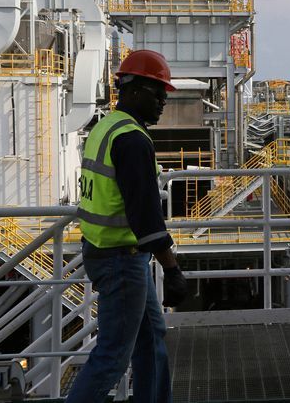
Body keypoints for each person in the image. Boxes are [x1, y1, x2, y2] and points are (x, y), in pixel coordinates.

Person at [66, 50, 188, 403]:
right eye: (158, 92)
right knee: (113, 356)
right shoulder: (133, 140)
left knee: (151, 340)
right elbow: (145, 216)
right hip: (121, 260)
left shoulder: (105, 126)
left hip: (107, 252)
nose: (164, 101)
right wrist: (173, 269)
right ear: (133, 90)